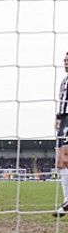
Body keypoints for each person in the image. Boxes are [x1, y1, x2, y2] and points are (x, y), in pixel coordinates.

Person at [54, 52, 68, 217]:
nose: (65, 62)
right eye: (64, 59)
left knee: (64, 156)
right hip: (63, 120)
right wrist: (57, 118)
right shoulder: (64, 81)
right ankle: (66, 201)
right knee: (61, 161)